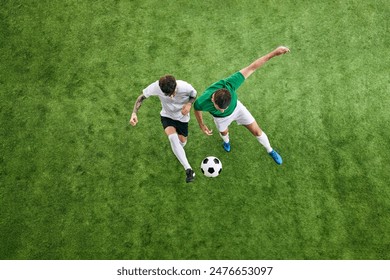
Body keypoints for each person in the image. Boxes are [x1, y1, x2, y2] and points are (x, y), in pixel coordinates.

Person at [193, 46, 290, 165]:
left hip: (238, 110)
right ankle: (226, 142)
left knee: (257, 132)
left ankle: (270, 150)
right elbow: (196, 108)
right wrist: (201, 124)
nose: (223, 110)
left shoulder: (230, 83)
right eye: (220, 108)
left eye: (224, 108)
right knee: (224, 132)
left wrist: (274, 53)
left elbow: (252, 68)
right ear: (213, 100)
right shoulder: (202, 101)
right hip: (220, 119)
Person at [129, 75, 197, 182]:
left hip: (182, 118)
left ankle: (179, 151)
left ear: (176, 86)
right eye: (167, 95)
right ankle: (189, 170)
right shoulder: (156, 87)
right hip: (167, 116)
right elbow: (141, 98)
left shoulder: (185, 87)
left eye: (172, 94)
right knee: (172, 139)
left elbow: (194, 95)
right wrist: (134, 113)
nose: (170, 97)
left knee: (182, 142)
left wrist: (189, 104)